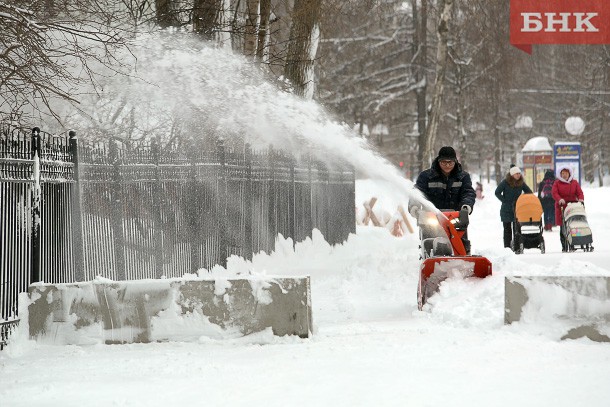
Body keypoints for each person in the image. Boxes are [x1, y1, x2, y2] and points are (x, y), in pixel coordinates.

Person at [409, 146, 476, 253]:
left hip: (455, 218)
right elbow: (417, 192)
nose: (447, 165)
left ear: (455, 161)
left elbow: (468, 192)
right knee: (430, 242)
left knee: (461, 245)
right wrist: (414, 207)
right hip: (431, 218)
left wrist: (466, 206)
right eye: (444, 162)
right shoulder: (426, 176)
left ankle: (463, 257)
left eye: (450, 162)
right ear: (438, 161)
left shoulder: (463, 177)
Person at [494, 166, 533, 249]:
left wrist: (522, 200)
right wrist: (504, 201)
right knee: (507, 230)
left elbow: (529, 192)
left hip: (517, 209)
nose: (518, 175)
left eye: (519, 173)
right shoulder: (505, 182)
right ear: (512, 175)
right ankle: (507, 247)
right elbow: (497, 192)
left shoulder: (521, 183)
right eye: (516, 174)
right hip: (506, 209)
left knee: (517, 229)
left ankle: (517, 247)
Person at [552, 167, 584, 252]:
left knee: (573, 226)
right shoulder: (557, 183)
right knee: (563, 227)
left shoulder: (574, 182)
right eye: (562, 173)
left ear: (569, 174)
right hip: (561, 207)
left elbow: (579, 192)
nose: (564, 175)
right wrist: (559, 199)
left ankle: (573, 243)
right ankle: (564, 245)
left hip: (573, 207)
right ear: (560, 174)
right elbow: (554, 193)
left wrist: (580, 199)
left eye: (566, 173)